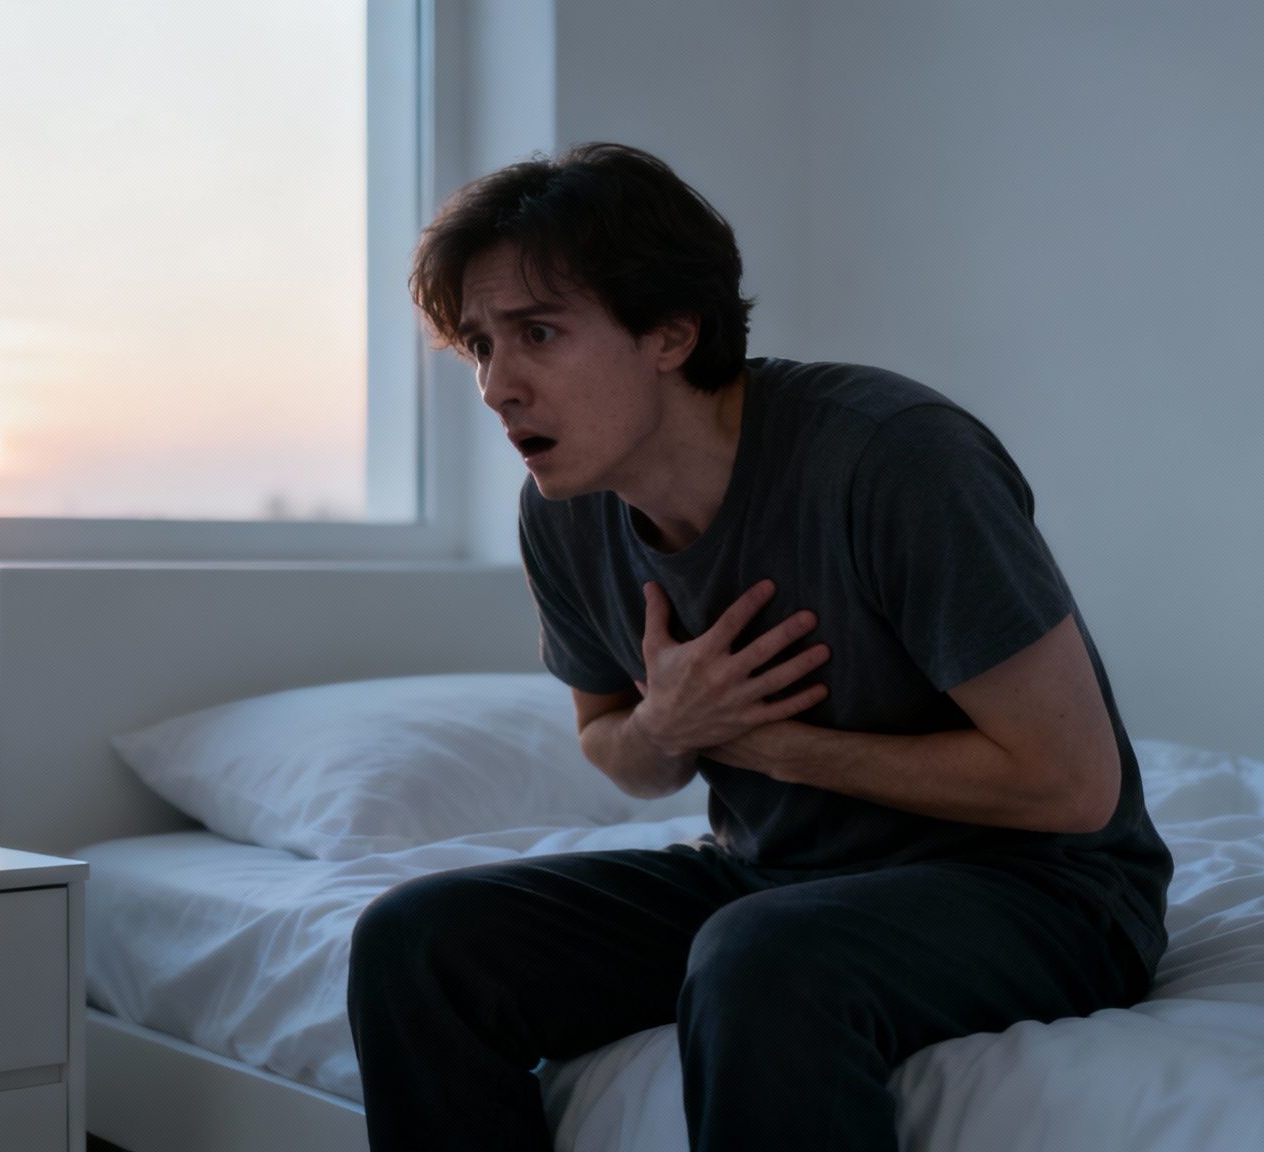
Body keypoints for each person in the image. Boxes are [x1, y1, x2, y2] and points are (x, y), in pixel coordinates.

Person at [345, 142, 1174, 1151]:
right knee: (414, 942)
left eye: (538, 333)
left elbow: (1068, 788)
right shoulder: (561, 512)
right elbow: (612, 742)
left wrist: (773, 746)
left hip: (1042, 895)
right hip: (777, 875)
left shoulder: (891, 455)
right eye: (478, 345)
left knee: (762, 953)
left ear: (669, 332)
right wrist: (669, 724)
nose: (494, 386)